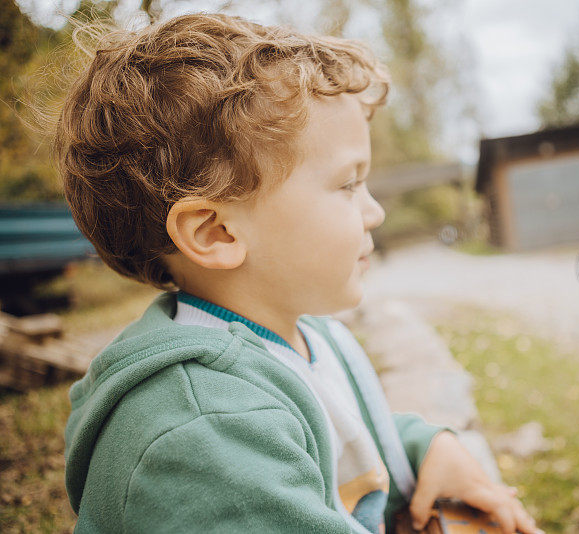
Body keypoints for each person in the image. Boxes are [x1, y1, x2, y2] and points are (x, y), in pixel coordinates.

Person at [57, 12, 542, 534]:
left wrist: (426, 448)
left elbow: (340, 445)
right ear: (216, 232)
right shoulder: (207, 439)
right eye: (348, 185)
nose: (374, 211)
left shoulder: (293, 339)